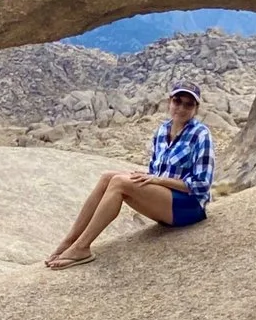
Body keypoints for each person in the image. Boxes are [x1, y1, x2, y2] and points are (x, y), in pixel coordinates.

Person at [45, 84, 214, 267]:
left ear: (196, 109)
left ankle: (82, 247)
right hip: (167, 199)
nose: (181, 108)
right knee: (107, 177)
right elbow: (156, 171)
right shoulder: (162, 131)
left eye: (188, 105)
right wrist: (150, 177)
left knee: (119, 183)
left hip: (189, 206)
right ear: (169, 102)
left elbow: (202, 184)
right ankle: (69, 241)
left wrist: (157, 180)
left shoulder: (200, 134)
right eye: (177, 101)